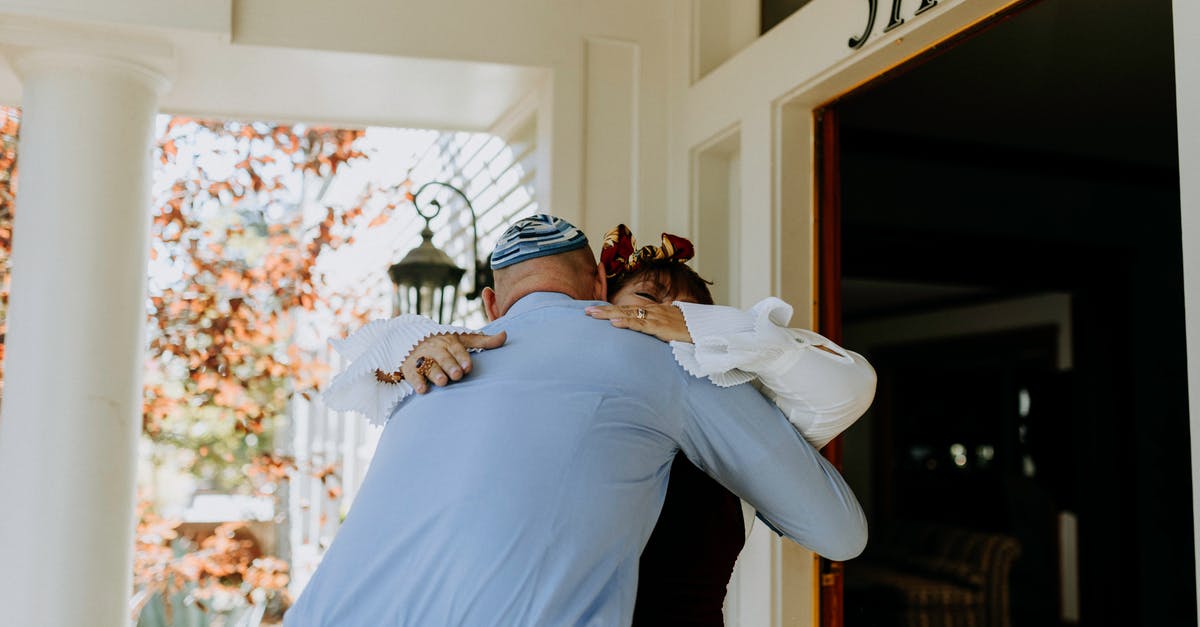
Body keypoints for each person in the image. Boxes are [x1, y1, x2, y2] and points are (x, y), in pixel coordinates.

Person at [285, 215, 867, 627]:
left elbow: (846, 390)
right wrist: (405, 355)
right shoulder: (438, 361)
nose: (652, 321)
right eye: (639, 305)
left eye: (678, 315)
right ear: (596, 293)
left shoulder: (696, 369)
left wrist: (713, 339)